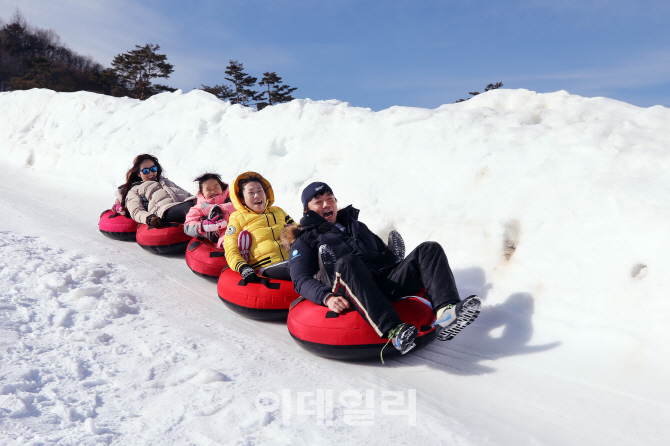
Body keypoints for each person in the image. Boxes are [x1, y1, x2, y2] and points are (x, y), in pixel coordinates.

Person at [282, 182, 481, 356]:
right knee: (348, 262)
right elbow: (300, 280)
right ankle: (395, 332)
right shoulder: (305, 241)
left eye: (330, 199)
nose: (327, 204)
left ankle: (447, 312)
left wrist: (405, 267)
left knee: (429, 248)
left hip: (380, 281)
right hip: (347, 288)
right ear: (307, 211)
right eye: (318, 201)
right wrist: (327, 297)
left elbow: (384, 258)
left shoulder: (357, 227)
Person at [223, 172, 295, 283]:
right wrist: (242, 267)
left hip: (292, 259)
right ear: (242, 199)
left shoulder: (278, 211)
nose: (257, 195)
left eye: (260, 191)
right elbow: (230, 247)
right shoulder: (237, 218)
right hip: (267, 266)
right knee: (300, 271)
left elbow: (298, 231)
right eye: (251, 193)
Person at [119, 154, 196, 228]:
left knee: (200, 205)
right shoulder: (135, 189)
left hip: (183, 205)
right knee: (190, 208)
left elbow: (188, 194)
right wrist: (150, 218)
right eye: (146, 171)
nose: (151, 173)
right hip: (164, 212)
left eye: (153, 169)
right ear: (138, 173)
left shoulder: (166, 181)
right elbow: (136, 211)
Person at [183, 173, 236, 245]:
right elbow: (188, 226)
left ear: (222, 187)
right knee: (226, 239)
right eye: (208, 189)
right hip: (219, 233)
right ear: (202, 193)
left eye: (216, 187)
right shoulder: (199, 208)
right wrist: (202, 226)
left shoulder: (233, 199)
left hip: (236, 227)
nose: (213, 191)